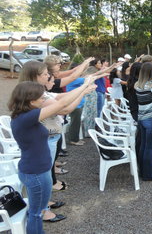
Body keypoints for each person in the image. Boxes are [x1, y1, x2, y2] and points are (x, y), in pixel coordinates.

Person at [8, 77, 96, 234]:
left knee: (37, 211)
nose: (44, 99)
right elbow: (62, 105)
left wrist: (83, 89)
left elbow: (62, 104)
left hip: (37, 170)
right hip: (36, 173)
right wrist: (83, 87)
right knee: (37, 213)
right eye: (41, 98)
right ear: (30, 101)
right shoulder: (27, 118)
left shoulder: (26, 115)